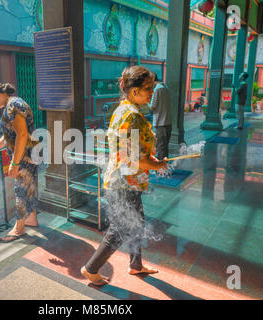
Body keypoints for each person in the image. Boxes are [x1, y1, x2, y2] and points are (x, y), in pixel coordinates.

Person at [81, 66, 167, 286]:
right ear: (134, 91)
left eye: (152, 86)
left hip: (123, 179)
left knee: (136, 223)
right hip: (124, 182)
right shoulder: (134, 116)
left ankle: (135, 265)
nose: (151, 91)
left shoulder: (122, 109)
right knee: (121, 229)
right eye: (147, 88)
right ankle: (90, 269)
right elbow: (135, 159)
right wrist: (157, 165)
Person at [0, 80, 40, 243]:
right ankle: (32, 219)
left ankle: (19, 229)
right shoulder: (14, 103)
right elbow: (8, 136)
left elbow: (21, 134)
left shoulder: (12, 106)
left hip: (24, 155)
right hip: (30, 153)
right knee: (30, 186)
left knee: (20, 190)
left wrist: (14, 163)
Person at [149, 74, 172, 161]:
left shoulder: (157, 90)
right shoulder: (166, 88)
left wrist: (145, 102)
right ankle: (164, 167)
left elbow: (152, 107)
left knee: (161, 147)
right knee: (165, 147)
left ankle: (161, 169)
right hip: (168, 122)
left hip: (160, 123)